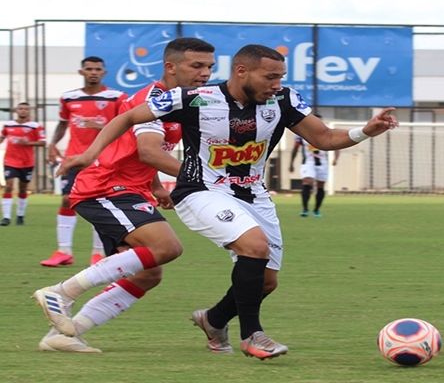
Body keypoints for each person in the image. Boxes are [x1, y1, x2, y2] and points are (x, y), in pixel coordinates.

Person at [35, 44, 398, 360]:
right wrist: (89, 154)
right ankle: (253, 336)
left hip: (251, 195)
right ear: (243, 71)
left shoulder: (282, 99)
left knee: (263, 282)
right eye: (270, 76)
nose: (277, 83)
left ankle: (214, 320)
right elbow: (132, 122)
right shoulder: (192, 98)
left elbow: (323, 136)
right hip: (194, 191)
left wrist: (364, 131)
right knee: (224, 248)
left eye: (280, 76)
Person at [33, 37, 216, 353]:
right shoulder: (154, 98)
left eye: (210, 67)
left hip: (129, 189)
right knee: (167, 247)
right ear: (170, 66)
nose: (205, 73)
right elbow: (148, 151)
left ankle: (65, 335)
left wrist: (156, 186)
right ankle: (61, 292)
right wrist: (212, 180)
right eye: (196, 65)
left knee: (149, 274)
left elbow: (146, 151)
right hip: (105, 187)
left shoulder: (186, 99)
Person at [40, 56, 129, 267]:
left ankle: (97, 253)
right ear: (81, 72)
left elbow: (127, 126)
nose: (93, 72)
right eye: (89, 69)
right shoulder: (68, 98)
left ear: (104, 73)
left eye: (97, 69)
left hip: (105, 159)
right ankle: (63, 251)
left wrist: (101, 128)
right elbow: (62, 125)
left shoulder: (117, 97)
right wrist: (52, 144)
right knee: (66, 200)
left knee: (100, 204)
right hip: (75, 159)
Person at [0, 102, 46, 226]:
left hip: (27, 162)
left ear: (29, 111)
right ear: (16, 110)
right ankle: (6, 217)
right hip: (10, 160)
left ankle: (20, 215)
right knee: (9, 186)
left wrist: (28, 143)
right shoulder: (8, 125)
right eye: (21, 109)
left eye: (26, 109)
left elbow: (42, 142)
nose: (23, 111)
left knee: (22, 188)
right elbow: (2, 137)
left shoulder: (35, 126)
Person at [289, 114, 340, 217]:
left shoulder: (326, 133)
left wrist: (335, 158)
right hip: (308, 162)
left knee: (320, 186)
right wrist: (291, 163)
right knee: (307, 182)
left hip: (322, 163)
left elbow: (336, 145)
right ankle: (305, 209)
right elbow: (295, 149)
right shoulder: (301, 134)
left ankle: (316, 209)